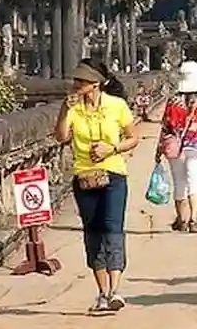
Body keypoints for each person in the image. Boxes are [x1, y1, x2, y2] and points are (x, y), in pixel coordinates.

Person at [53, 60, 140, 313]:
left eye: (81, 81)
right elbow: (61, 137)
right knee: (93, 231)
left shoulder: (116, 106)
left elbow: (133, 137)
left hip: (113, 173)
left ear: (96, 83)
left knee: (113, 227)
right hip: (84, 176)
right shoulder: (73, 108)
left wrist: (110, 148)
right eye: (76, 81)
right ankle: (102, 292)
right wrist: (62, 111)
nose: (76, 85)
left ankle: (115, 289)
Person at [157, 60, 197, 233]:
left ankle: (181, 220)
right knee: (195, 180)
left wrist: (159, 148)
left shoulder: (173, 101)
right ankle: (194, 219)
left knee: (179, 182)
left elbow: (166, 125)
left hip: (174, 145)